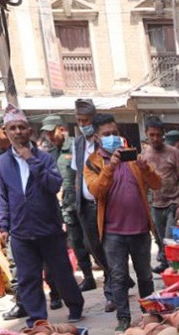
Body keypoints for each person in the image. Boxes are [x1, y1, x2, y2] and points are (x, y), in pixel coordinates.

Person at [0, 106, 84, 327]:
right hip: (21, 230)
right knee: (28, 277)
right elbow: (2, 196)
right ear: (6, 132)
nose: (17, 132)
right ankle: (37, 317)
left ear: (29, 130)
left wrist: (31, 160)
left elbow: (54, 185)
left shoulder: (43, 158)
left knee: (61, 272)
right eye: (12, 128)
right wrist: (4, 225)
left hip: (48, 227)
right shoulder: (3, 163)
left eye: (21, 127)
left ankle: (75, 305)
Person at [85, 114, 162, 331]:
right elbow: (95, 191)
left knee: (145, 276)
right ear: (98, 138)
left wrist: (145, 168)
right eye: (107, 134)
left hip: (139, 229)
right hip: (113, 233)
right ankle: (123, 320)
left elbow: (157, 184)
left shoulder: (133, 158)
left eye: (115, 133)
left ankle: (150, 316)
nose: (113, 138)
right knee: (118, 277)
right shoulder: (92, 163)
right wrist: (111, 167)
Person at [67, 98, 111, 304]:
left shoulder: (106, 141)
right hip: (85, 205)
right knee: (91, 245)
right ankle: (116, 276)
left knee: (109, 246)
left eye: (86, 120)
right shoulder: (77, 143)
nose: (83, 124)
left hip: (105, 204)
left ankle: (112, 288)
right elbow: (77, 174)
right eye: (79, 120)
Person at [142, 117, 179, 272]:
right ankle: (167, 264)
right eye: (152, 135)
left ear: (163, 135)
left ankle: (174, 269)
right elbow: (144, 183)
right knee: (160, 239)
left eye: (158, 135)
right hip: (155, 204)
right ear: (146, 134)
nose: (155, 138)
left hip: (172, 203)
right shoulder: (144, 156)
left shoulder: (173, 152)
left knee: (169, 239)